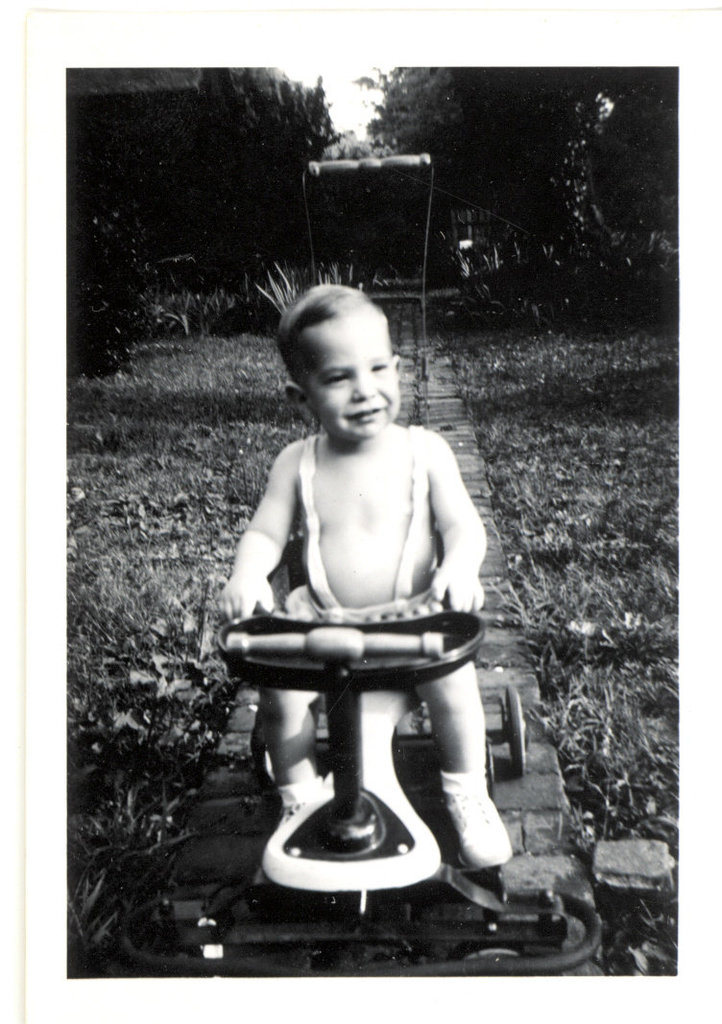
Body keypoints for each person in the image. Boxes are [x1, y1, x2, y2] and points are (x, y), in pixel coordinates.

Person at [220, 285, 512, 868]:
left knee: (453, 687)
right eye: (338, 378)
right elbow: (265, 534)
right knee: (280, 698)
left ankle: (465, 790)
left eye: (378, 368)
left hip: (411, 618)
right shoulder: (295, 462)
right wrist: (248, 575)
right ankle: (299, 797)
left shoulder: (424, 451)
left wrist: (458, 565)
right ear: (300, 395)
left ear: (396, 368)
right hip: (324, 619)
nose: (365, 390)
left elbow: (463, 527)